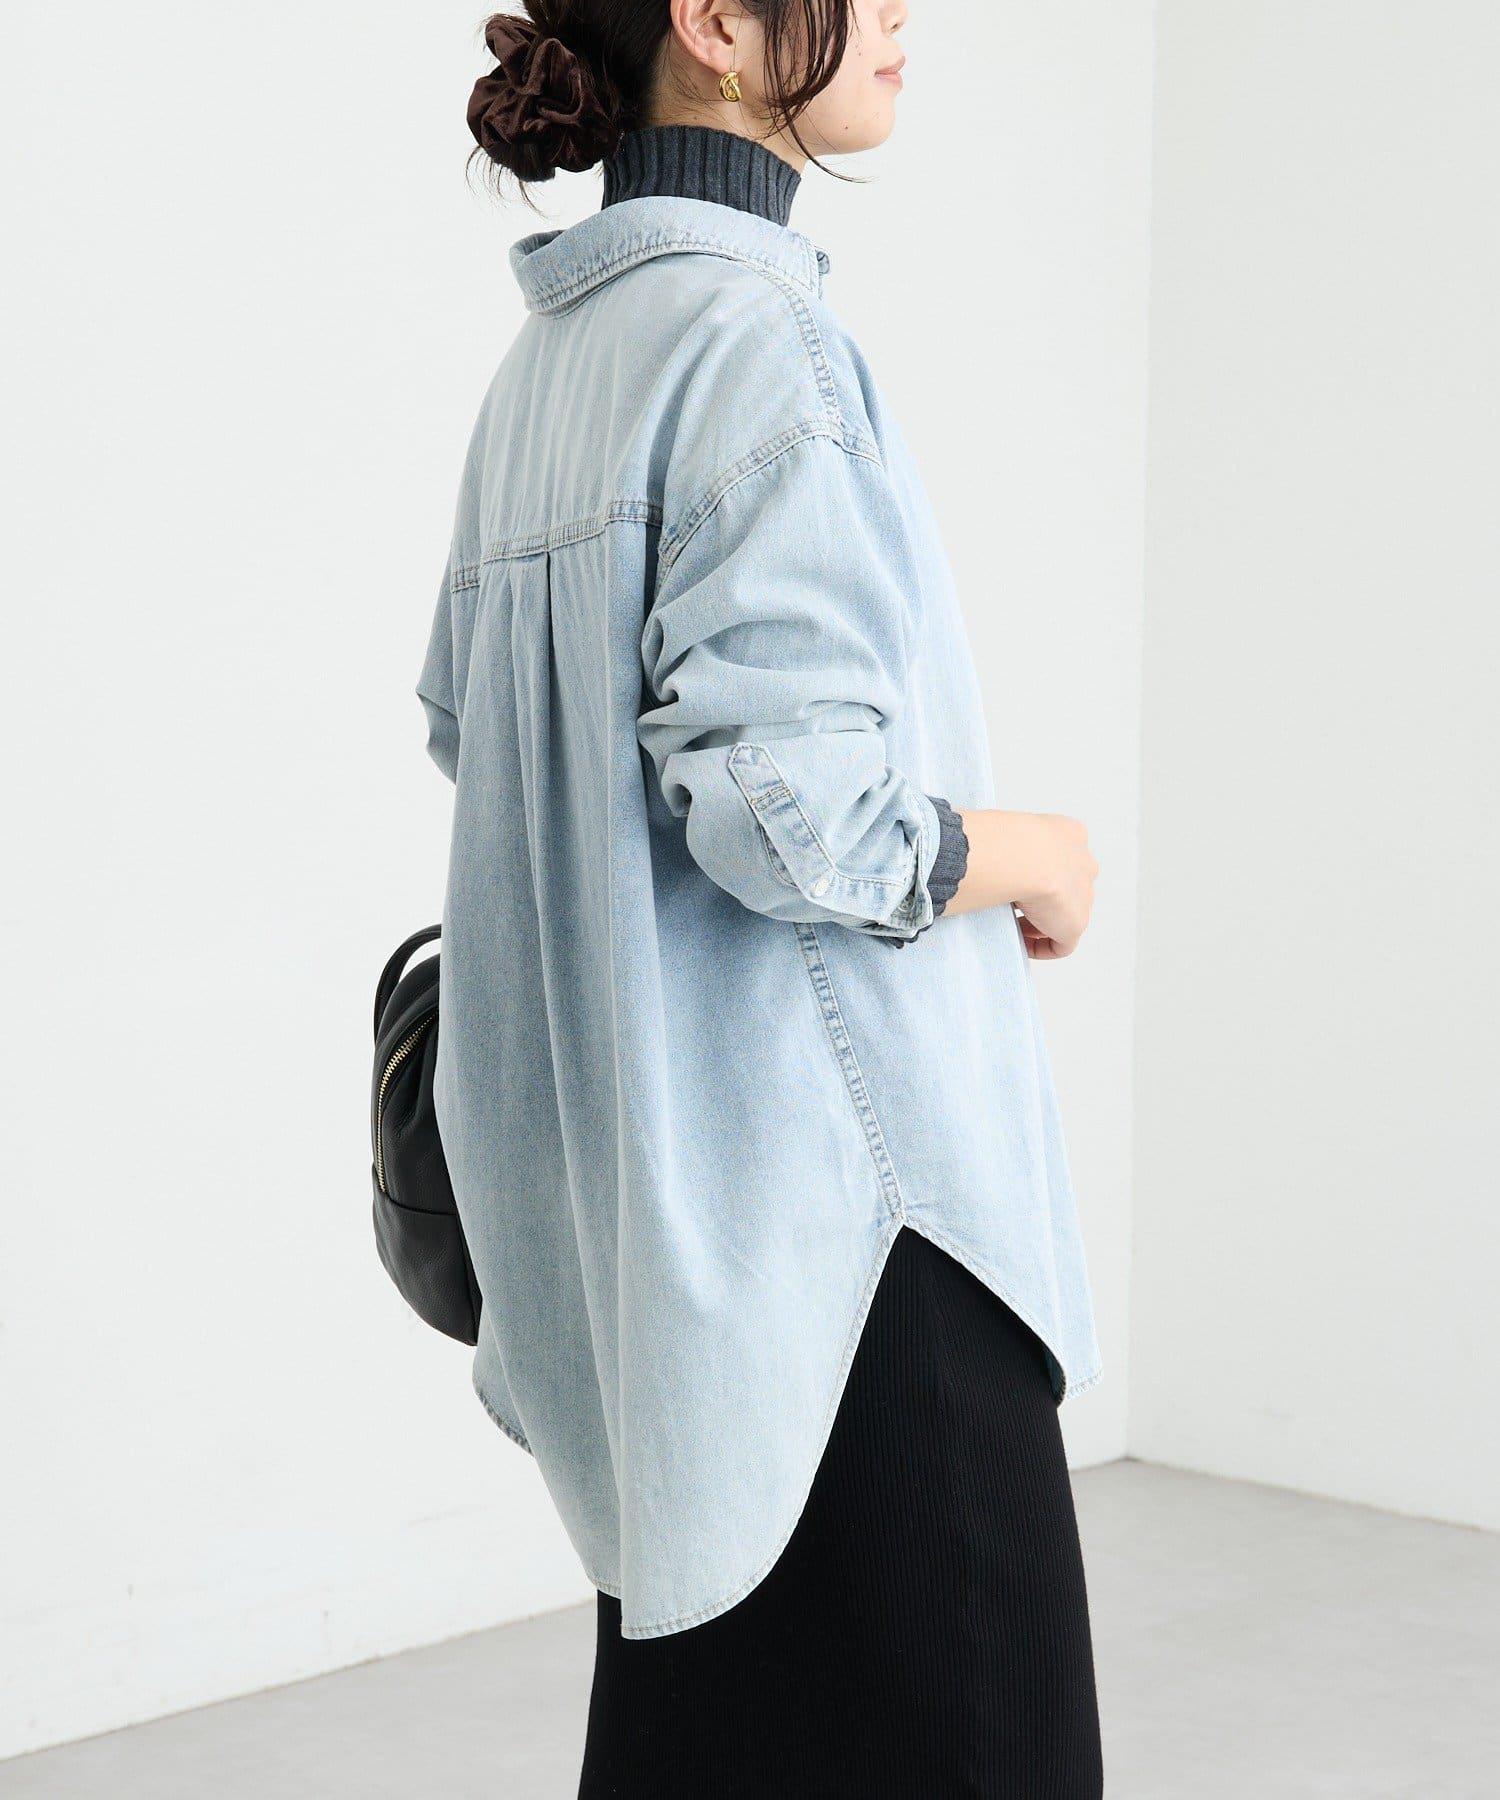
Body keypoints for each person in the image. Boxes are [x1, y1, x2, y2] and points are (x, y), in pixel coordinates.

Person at [416, 1, 1104, 1791]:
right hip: (855, 1230)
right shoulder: (757, 339)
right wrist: (1024, 853)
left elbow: (469, 736)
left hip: (655, 1240)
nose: (902, 13)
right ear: (718, 24)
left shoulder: (552, 366)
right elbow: (799, 823)